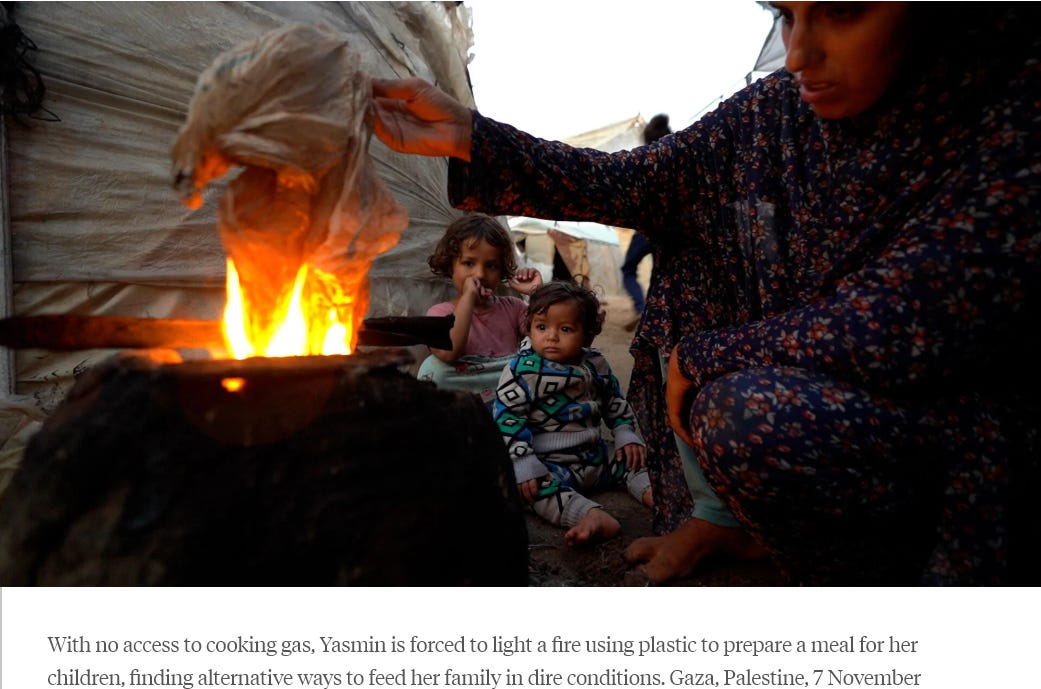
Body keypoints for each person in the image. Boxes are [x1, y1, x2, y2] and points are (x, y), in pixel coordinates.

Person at [373, 2, 1041, 585]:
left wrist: (703, 355)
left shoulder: (1007, 111)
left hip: (945, 426)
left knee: (745, 413)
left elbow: (902, 323)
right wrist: (473, 136)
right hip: (799, 373)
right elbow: (637, 181)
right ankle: (726, 519)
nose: (798, 53)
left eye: (843, 10)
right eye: (786, 16)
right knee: (698, 257)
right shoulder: (772, 113)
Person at [493, 281, 653, 544]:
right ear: (529, 327)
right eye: (542, 327)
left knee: (635, 459)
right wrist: (522, 461)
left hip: (596, 455)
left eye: (565, 329)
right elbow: (507, 418)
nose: (552, 336)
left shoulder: (595, 363)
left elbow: (613, 399)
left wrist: (625, 433)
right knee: (522, 487)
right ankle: (587, 514)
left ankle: (653, 494)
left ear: (588, 336)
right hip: (548, 463)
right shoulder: (521, 370)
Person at [418, 213, 542, 405]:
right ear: (451, 266)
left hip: (507, 389)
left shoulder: (514, 308)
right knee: (433, 369)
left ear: (501, 271)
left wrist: (536, 294)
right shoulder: (439, 313)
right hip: (466, 394)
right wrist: (468, 297)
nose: (480, 274)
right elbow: (450, 353)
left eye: (491, 266)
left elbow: (547, 337)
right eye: (469, 263)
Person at [621, 113, 672, 331]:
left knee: (628, 269)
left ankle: (642, 308)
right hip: (670, 229)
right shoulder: (677, 160)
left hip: (645, 229)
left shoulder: (641, 161)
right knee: (659, 273)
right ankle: (654, 313)